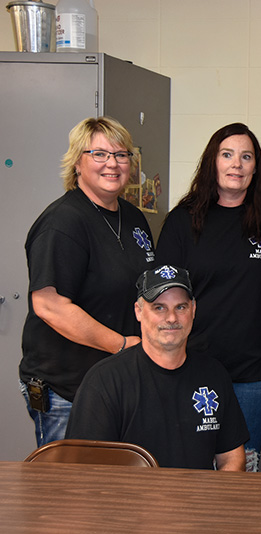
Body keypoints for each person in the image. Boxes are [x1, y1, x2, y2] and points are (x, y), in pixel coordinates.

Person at [19, 116, 155, 447]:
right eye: (99, 154)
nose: (112, 164)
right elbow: (49, 306)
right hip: (68, 389)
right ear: (77, 162)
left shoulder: (133, 216)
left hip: (116, 382)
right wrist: (121, 346)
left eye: (121, 155)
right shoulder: (63, 222)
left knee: (113, 487)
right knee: (68, 490)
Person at [157, 123, 261, 471]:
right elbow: (164, 297)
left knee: (243, 464)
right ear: (212, 161)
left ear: (256, 167)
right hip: (193, 367)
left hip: (257, 373)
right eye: (227, 155)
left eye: (246, 157)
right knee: (192, 463)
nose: (237, 164)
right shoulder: (183, 221)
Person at [66, 265, 249, 471]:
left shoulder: (213, 375)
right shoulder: (105, 382)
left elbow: (232, 458)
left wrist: (211, 501)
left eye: (180, 307)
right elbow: (84, 471)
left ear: (194, 310)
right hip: (131, 501)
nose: (171, 318)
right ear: (138, 311)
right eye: (159, 307)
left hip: (198, 500)